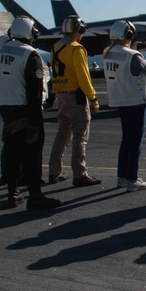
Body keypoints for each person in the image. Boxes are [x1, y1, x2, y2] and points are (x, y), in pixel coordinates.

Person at [0, 16, 61, 210]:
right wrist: (35, 120)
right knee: (33, 155)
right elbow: (35, 90)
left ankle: (12, 194)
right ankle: (35, 195)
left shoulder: (1, 53)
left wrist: (3, 110)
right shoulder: (30, 54)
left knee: (13, 154)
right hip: (27, 110)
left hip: (8, 110)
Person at [103, 20, 146, 191]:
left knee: (126, 141)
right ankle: (133, 179)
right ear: (128, 35)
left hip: (120, 100)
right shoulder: (132, 56)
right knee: (136, 143)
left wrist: (134, 50)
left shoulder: (108, 54)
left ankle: (122, 177)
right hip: (136, 101)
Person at [48, 15, 102, 187]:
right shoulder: (76, 48)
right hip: (76, 96)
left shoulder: (56, 47)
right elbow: (83, 76)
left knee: (62, 134)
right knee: (80, 136)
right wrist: (92, 97)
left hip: (61, 95)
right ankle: (80, 174)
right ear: (79, 30)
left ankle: (54, 172)